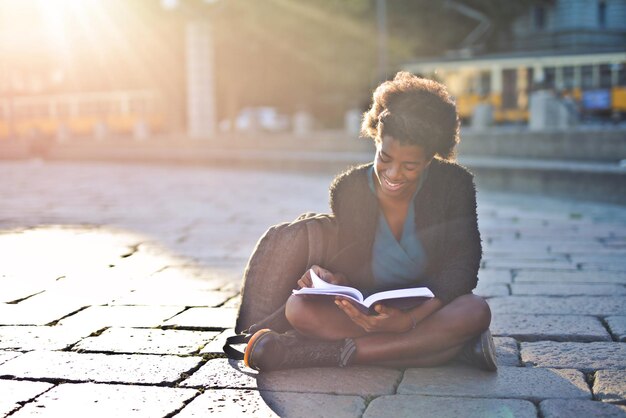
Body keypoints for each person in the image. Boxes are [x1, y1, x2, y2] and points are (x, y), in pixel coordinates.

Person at [242, 72, 496, 372]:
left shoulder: (454, 183)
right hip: (365, 313)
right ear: (377, 139)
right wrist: (334, 280)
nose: (393, 174)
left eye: (410, 166)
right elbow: (352, 260)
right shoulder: (349, 187)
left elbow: (464, 265)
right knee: (298, 309)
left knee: (475, 310)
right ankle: (448, 349)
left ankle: (330, 354)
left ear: (429, 160)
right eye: (384, 158)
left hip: (426, 310)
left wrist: (410, 320)